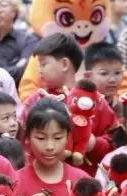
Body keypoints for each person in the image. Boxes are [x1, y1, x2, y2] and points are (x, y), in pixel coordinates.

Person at [27, 33, 118, 167]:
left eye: (43, 64)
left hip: (85, 179)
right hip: (43, 177)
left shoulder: (94, 100)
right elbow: (24, 140)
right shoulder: (36, 99)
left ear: (64, 64)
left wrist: (92, 143)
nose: (39, 70)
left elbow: (115, 142)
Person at [0, 0, 39, 85]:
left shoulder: (28, 40)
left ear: (14, 11)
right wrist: (17, 67)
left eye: (3, 5)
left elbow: (28, 71)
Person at [84, 43, 126, 113]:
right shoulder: (83, 105)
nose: (112, 79)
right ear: (88, 76)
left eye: (117, 73)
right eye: (104, 73)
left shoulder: (121, 106)